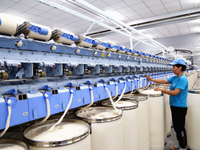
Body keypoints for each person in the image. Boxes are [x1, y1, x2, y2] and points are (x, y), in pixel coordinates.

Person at [146, 58, 188, 150]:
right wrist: (151, 79)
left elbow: (175, 92)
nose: (172, 69)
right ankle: (179, 145)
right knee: (176, 128)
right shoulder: (175, 78)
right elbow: (163, 81)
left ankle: (183, 147)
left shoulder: (182, 79)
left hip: (180, 107)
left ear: (180, 67)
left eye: (174, 67)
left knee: (180, 128)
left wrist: (163, 90)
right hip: (174, 106)